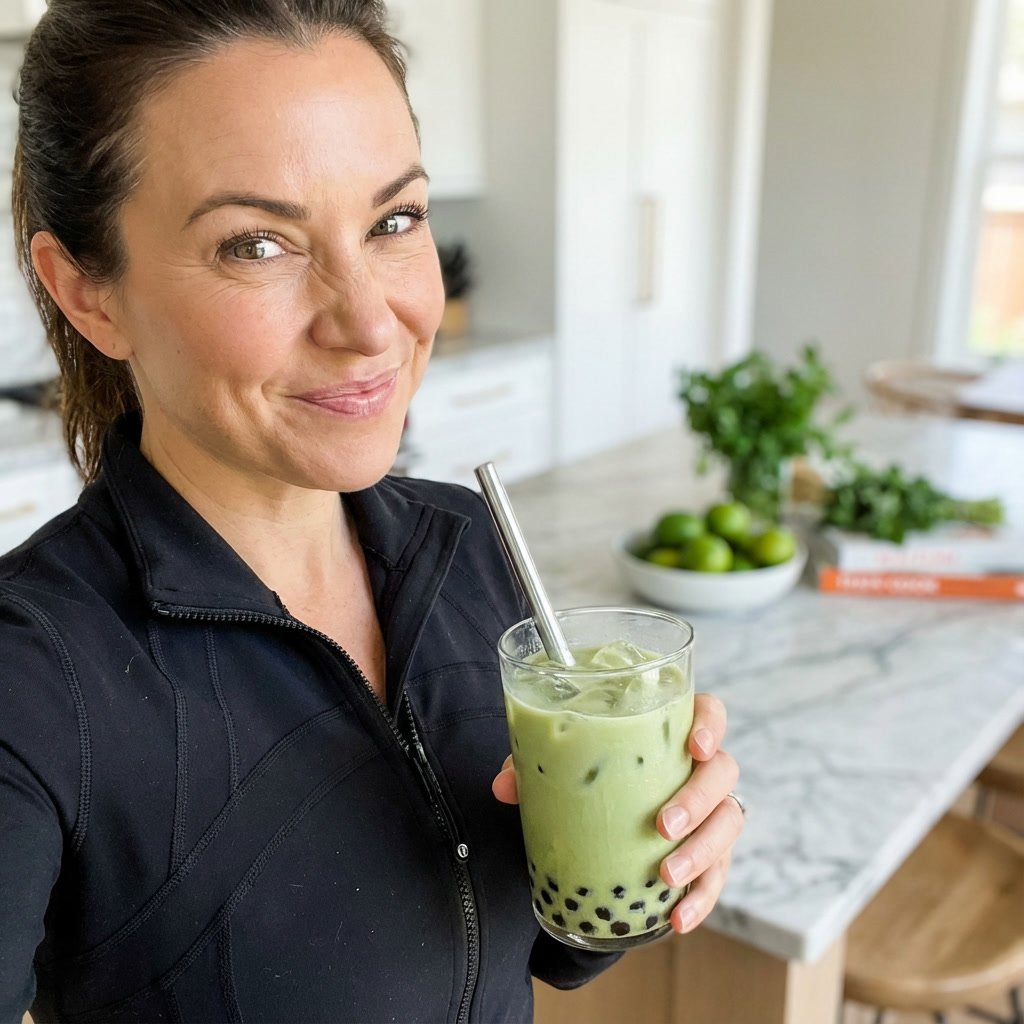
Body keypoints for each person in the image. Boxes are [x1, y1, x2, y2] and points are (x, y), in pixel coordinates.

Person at [0, 2, 744, 1021]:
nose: (367, 323)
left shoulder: (466, 544)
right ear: (88, 293)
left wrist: (640, 850)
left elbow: (550, 951)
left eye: (393, 222)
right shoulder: (31, 679)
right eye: (256, 245)